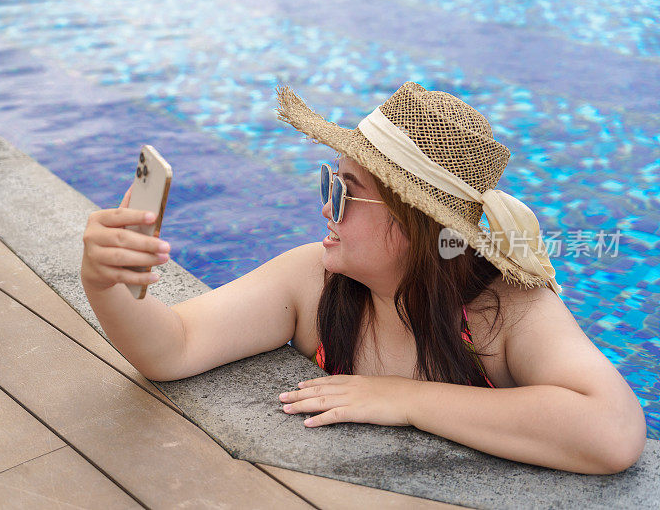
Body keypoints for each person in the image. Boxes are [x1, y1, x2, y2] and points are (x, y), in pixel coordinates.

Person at [81, 81, 646, 475]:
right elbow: (173, 349)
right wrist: (104, 282)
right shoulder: (312, 282)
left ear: (414, 223)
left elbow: (612, 431)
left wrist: (406, 399)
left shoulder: (506, 311)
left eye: (344, 191)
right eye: (331, 183)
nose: (327, 209)